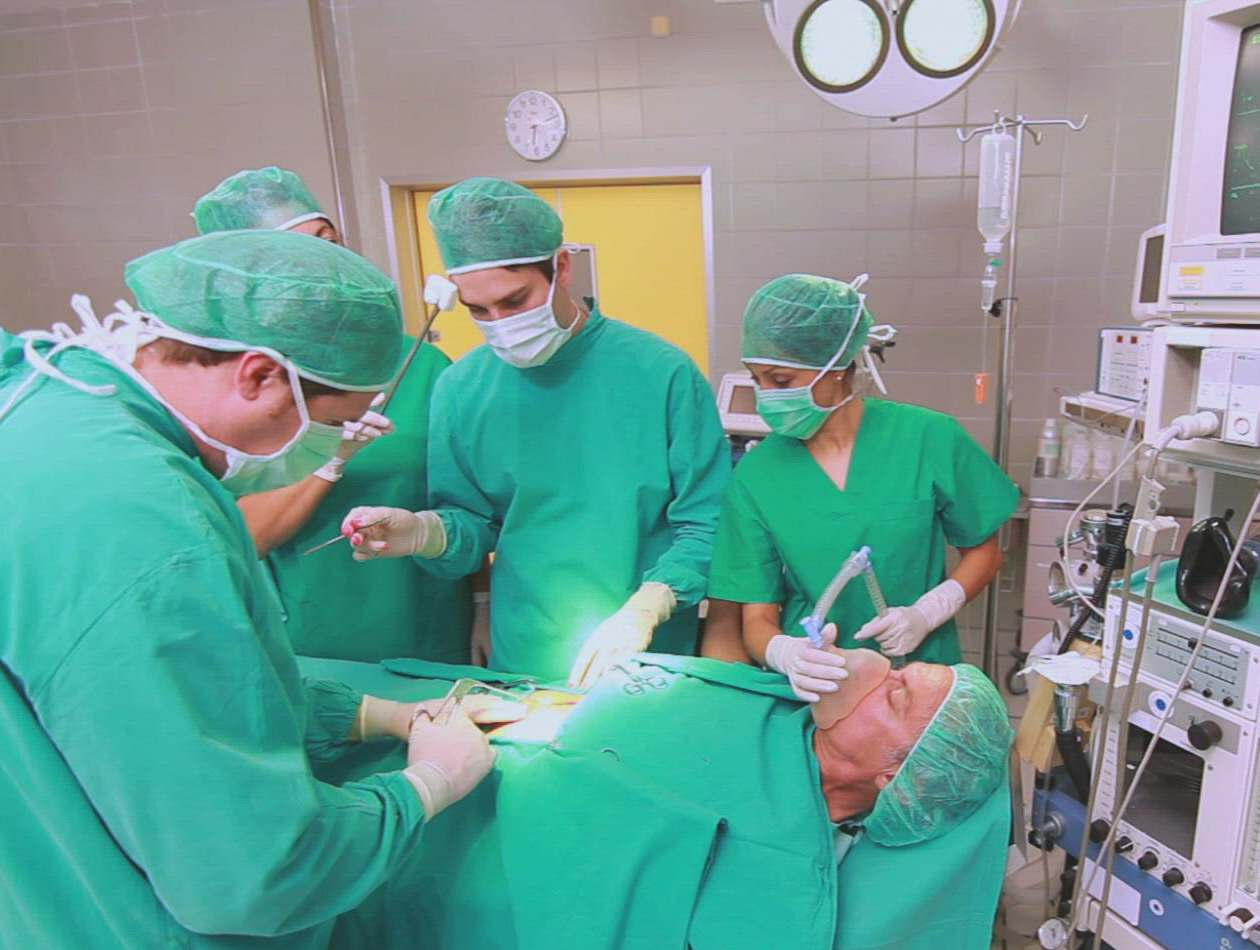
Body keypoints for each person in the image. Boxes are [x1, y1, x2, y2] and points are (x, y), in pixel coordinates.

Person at [0, 230, 496, 950]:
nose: (331, 444)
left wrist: (369, 713)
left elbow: (110, 695)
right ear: (259, 375)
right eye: (330, 422)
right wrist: (421, 790)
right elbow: (253, 868)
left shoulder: (18, 415)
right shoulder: (141, 518)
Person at [310, 648, 1014, 950]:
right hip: (463, 730)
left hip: (453, 835)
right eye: (896, 670)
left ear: (898, 772)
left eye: (896, 693)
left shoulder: (791, 855)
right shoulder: (771, 709)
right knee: (292, 711)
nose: (873, 672)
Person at [343, 177, 731, 688]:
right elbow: (473, 521)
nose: (499, 323)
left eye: (515, 300)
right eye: (478, 310)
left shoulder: (661, 372)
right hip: (525, 648)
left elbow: (707, 520)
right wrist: (423, 532)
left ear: (561, 268)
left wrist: (650, 604)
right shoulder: (463, 386)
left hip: (646, 654)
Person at [192, 166, 475, 664]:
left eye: (327, 240)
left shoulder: (421, 365)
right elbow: (242, 537)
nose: (323, 263)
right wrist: (327, 459)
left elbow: (469, 502)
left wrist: (484, 601)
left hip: (430, 625)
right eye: (293, 255)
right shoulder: (241, 382)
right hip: (308, 638)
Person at [711, 273, 1022, 700]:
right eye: (756, 379)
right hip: (819, 689)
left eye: (780, 380)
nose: (766, 395)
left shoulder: (927, 437)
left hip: (917, 681)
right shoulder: (756, 474)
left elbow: (985, 553)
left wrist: (926, 613)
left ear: (837, 367)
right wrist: (786, 653)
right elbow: (756, 619)